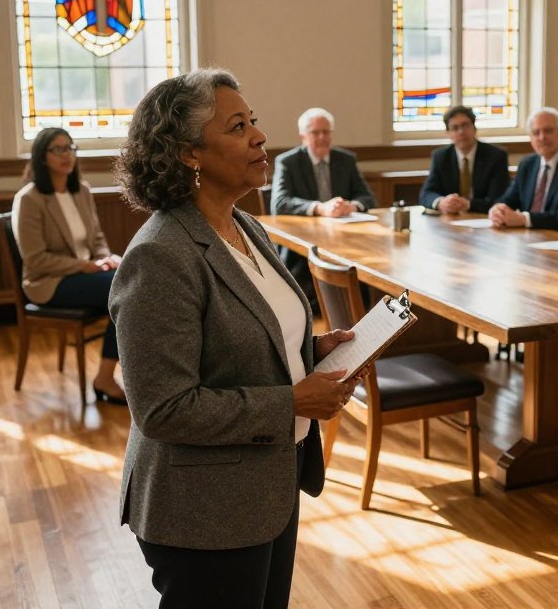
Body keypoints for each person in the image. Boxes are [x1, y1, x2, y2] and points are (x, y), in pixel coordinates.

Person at [110, 69, 363, 608]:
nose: (259, 136)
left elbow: (248, 339)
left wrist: (310, 352)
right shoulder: (161, 256)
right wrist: (291, 400)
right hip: (204, 507)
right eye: (237, 125)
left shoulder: (246, 226)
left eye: (254, 121)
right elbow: (163, 408)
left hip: (268, 481)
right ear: (189, 153)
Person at [12, 128, 126, 405]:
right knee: (123, 289)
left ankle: (113, 374)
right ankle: (106, 378)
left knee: (130, 282)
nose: (66, 155)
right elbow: (36, 259)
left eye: (70, 148)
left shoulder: (82, 191)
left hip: (87, 273)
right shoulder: (29, 199)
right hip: (48, 282)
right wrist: (84, 265)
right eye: (57, 149)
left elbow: (97, 239)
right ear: (42, 157)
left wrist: (105, 258)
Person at [270, 107, 376, 294]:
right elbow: (279, 203)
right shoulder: (288, 162)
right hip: (304, 244)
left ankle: (358, 307)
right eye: (315, 132)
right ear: (303, 136)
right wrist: (320, 208)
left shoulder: (346, 160)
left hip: (345, 238)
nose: (321, 137)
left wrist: (351, 206)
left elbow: (367, 197)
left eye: (326, 132)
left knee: (365, 263)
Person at [489, 108, 558, 235]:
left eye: (548, 131)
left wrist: (525, 219)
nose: (542, 137)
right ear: (530, 138)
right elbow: (508, 200)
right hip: (527, 237)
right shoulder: (527, 164)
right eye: (536, 132)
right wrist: (498, 210)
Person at [419, 106, 510, 214]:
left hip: (484, 217)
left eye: (465, 125)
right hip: (450, 221)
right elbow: (426, 194)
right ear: (448, 133)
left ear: (474, 128)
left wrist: (468, 204)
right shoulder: (441, 156)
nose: (461, 132)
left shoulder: (496, 156)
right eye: (455, 128)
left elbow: (499, 199)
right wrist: (441, 202)